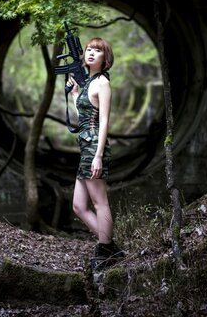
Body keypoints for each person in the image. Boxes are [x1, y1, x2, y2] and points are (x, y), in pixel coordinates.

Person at [66, 37, 125, 271]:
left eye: (97, 51)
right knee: (79, 207)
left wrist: (99, 155)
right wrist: (75, 96)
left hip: (94, 149)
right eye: (89, 49)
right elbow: (84, 118)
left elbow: (104, 122)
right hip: (86, 148)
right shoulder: (89, 82)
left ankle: (105, 249)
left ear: (105, 58)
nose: (91, 53)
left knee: (100, 203)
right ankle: (109, 246)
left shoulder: (102, 83)